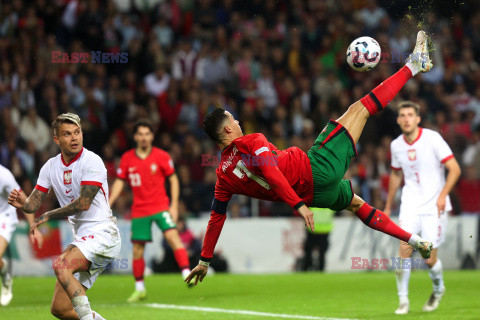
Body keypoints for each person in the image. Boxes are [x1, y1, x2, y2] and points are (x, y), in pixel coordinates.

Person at [186, 31, 435, 286]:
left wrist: (205, 260)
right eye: (233, 120)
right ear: (228, 130)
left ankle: (415, 241)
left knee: (357, 206)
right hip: (315, 169)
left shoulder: (222, 177)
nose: (237, 121)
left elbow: (217, 217)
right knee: (359, 109)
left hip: (316, 196)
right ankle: (414, 65)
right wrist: (297, 205)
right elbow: (271, 172)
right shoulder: (252, 141)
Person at [8, 113, 120, 320]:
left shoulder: (92, 161)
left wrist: (49, 214)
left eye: (77, 132)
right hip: (84, 239)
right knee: (60, 308)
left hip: (104, 234)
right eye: (67, 134)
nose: (74, 138)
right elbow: (33, 203)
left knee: (61, 265)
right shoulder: (50, 167)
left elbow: (83, 203)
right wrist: (24, 204)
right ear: (57, 140)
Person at [384, 101, 461, 314]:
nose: (406, 118)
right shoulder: (396, 145)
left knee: (429, 260)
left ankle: (438, 289)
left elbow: (454, 169)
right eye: (403, 115)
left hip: (434, 207)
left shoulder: (433, 139)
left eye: (410, 115)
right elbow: (396, 173)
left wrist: (443, 196)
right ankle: (403, 301)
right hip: (410, 205)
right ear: (398, 120)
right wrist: (388, 205)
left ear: (418, 119)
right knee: (403, 252)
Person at [109, 119, 192, 303]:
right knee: (138, 249)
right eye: (141, 134)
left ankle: (187, 273)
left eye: (148, 134)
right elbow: (119, 183)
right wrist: (109, 203)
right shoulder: (127, 158)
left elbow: (174, 180)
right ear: (136, 136)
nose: (144, 137)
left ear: (152, 136)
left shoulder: (162, 156)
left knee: (173, 237)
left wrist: (174, 205)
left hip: (161, 206)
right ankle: (140, 289)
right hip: (139, 209)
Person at [0, 165, 42, 306]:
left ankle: (6, 278)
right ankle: (4, 269)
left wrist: (32, 227)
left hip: (3, 217)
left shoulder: (4, 176)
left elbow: (24, 201)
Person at [302, 208, 334, 272]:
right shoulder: (330, 206)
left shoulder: (312, 205)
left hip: (312, 231)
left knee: (308, 250)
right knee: (322, 252)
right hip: (325, 231)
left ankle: (307, 267)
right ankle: (321, 269)